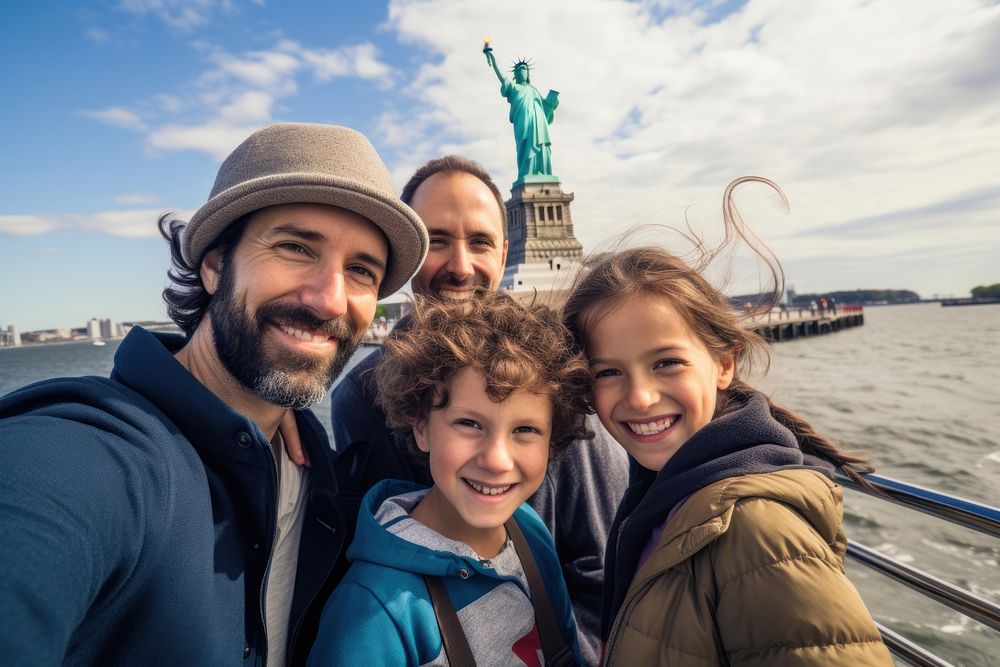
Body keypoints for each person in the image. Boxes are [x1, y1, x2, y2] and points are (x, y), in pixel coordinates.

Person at [0, 122, 429, 665]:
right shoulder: (96, 451)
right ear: (213, 265)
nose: (329, 300)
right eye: (295, 247)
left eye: (361, 270)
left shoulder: (311, 461)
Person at [560, 181, 892, 665]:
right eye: (608, 371)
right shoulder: (670, 491)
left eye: (666, 362)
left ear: (723, 363)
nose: (640, 396)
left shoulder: (758, 531)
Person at [325, 155, 628, 665]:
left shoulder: (556, 375)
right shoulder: (360, 394)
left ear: (504, 250)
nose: (461, 266)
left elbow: (600, 563)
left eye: (481, 242)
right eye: (437, 241)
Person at [309, 293, 586, 665]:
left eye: (525, 430)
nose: (496, 460)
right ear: (421, 428)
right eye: (469, 424)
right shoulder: (372, 612)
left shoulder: (528, 530)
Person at [484, 49, 559, 181]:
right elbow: (502, 78)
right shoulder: (514, 88)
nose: (523, 71)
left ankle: (546, 174)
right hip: (523, 122)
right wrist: (494, 61)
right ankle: (526, 174)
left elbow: (545, 106)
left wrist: (553, 103)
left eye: (525, 69)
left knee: (542, 147)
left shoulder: (533, 89)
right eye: (520, 69)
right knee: (525, 147)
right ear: (516, 74)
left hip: (539, 122)